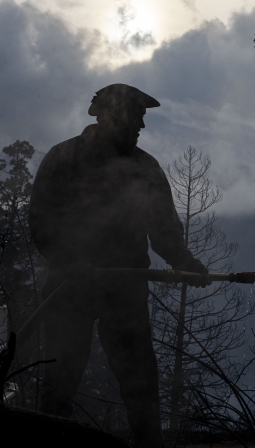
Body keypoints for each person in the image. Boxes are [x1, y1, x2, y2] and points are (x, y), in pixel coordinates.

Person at [28, 84, 211, 448]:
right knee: (59, 382)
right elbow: (41, 222)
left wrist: (185, 262)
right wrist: (70, 260)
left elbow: (163, 229)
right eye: (136, 117)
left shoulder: (145, 168)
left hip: (124, 291)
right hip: (70, 290)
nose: (141, 125)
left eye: (142, 118)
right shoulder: (63, 158)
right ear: (109, 115)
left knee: (140, 382)